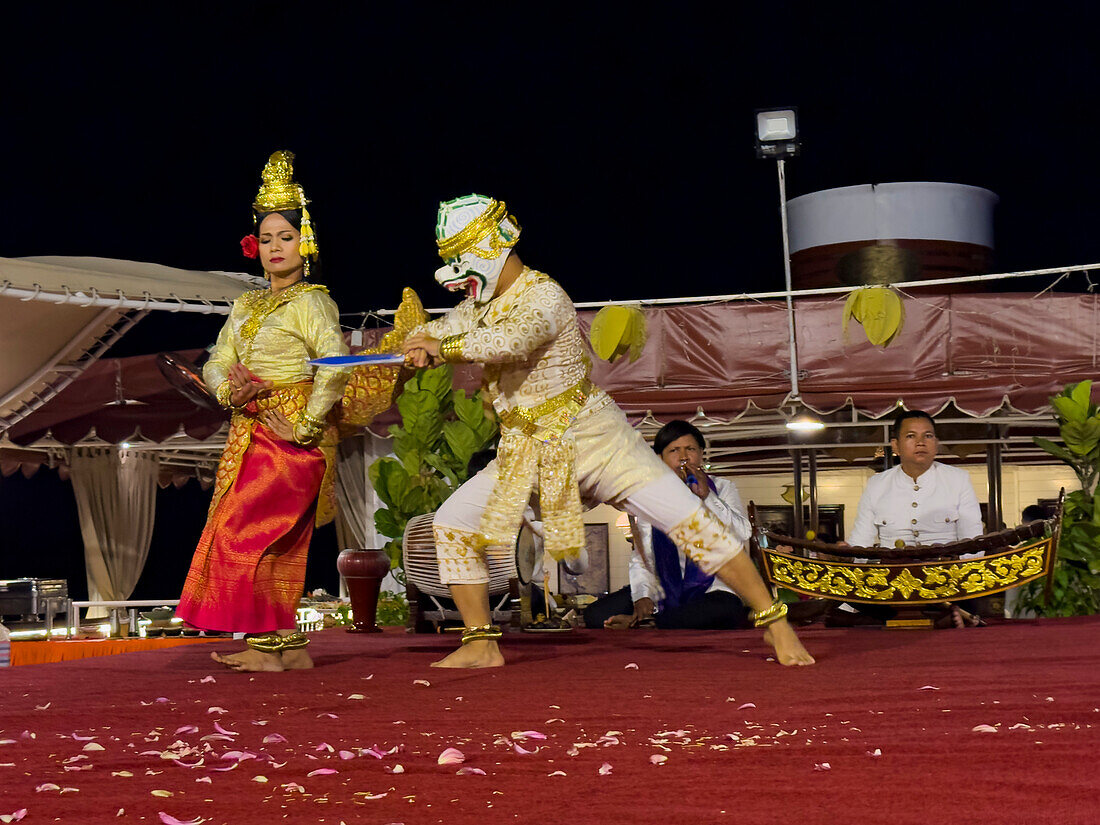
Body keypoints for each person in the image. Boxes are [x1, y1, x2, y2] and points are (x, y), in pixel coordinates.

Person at [402, 194, 813, 668]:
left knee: (692, 522)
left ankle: (775, 623)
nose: (450, 273)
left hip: (596, 439)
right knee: (453, 522)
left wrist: (443, 345)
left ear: (493, 247)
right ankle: (480, 642)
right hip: (526, 450)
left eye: (458, 257)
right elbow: (451, 326)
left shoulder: (544, 296)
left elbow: (509, 341)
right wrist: (419, 342)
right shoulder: (479, 305)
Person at [177, 151, 349, 671]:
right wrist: (232, 393)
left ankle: (266, 645)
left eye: (287, 237)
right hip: (250, 425)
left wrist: (306, 426)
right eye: (268, 238)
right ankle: (282, 645)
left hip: (290, 428)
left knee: (246, 532)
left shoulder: (314, 302)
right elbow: (215, 360)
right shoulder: (245, 305)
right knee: (270, 538)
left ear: (306, 241)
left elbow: (335, 366)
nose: (276, 248)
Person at [584, 420, 750, 630]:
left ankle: (651, 622)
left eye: (690, 449)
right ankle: (655, 619)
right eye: (674, 450)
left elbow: (743, 532)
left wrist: (707, 497)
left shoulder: (722, 488)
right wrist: (642, 597)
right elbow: (642, 557)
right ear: (660, 459)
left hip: (712, 589)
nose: (683, 457)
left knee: (724, 609)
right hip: (663, 589)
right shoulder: (649, 497)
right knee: (595, 615)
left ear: (701, 454)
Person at [847, 408, 985, 627]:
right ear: (895, 445)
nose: (921, 442)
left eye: (928, 436)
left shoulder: (958, 479)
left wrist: (965, 588)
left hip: (946, 584)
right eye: (911, 436)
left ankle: (954, 615)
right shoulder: (877, 484)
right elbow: (860, 542)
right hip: (891, 588)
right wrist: (849, 593)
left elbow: (973, 540)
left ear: (936, 443)